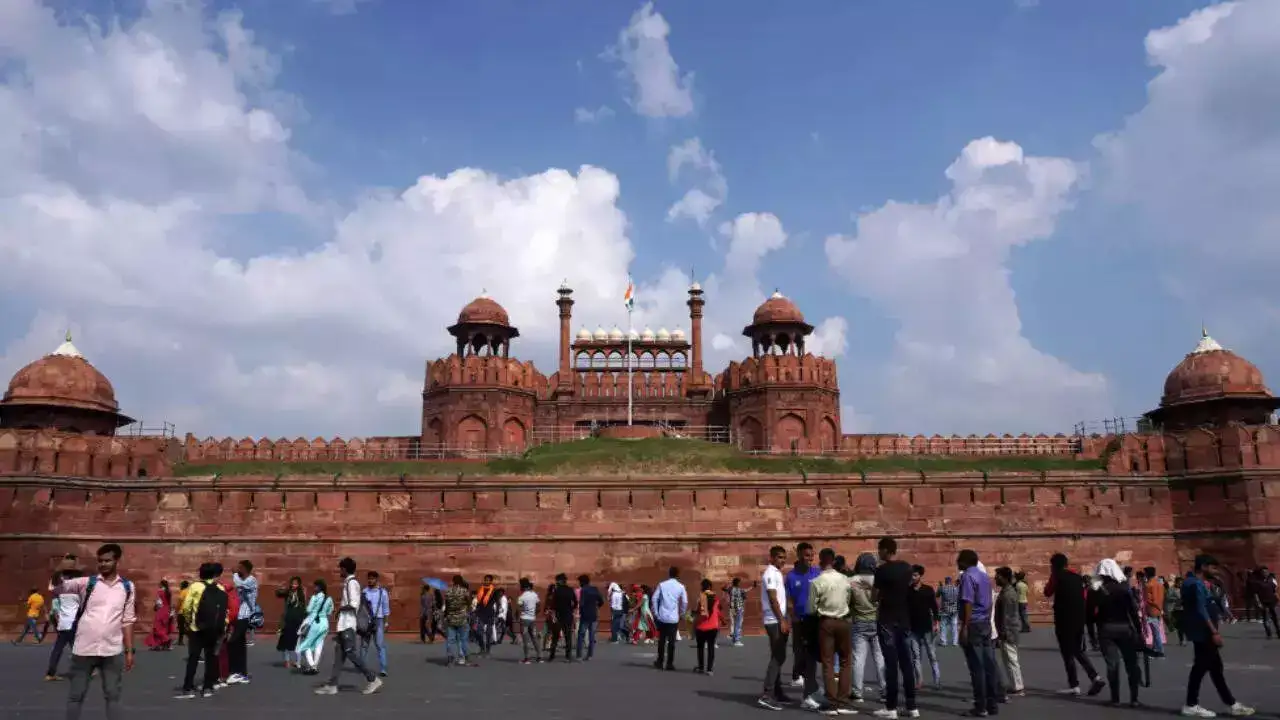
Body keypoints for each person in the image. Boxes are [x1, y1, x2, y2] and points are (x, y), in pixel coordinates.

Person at [50, 543, 138, 720]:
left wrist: (129, 651)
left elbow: (127, 620)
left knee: (113, 696)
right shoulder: (86, 583)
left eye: (107, 560)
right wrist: (60, 567)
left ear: (117, 561)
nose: (103, 564)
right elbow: (57, 587)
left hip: (112, 649)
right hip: (84, 649)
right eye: (100, 561)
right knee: (76, 696)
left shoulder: (127, 588)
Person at [1179, 555, 1254, 718]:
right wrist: (1214, 632)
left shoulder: (1189, 582)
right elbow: (1201, 609)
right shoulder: (1196, 584)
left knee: (1214, 669)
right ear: (1204, 567)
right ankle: (1191, 704)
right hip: (1204, 633)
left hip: (1199, 631)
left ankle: (1230, 703)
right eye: (1213, 568)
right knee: (1200, 668)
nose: (1215, 571)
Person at [314, 557, 382, 696]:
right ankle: (332, 685)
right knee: (339, 656)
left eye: (341, 568)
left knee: (351, 653)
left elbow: (354, 604)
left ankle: (372, 678)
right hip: (343, 625)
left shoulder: (352, 583)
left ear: (345, 569)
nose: (340, 571)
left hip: (348, 624)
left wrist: (340, 609)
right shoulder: (348, 583)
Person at [1045, 553, 1105, 696]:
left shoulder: (1057, 577)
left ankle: (1074, 685)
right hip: (1079, 620)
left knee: (1067, 653)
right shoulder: (1078, 578)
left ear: (1054, 566)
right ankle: (1095, 677)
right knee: (1077, 650)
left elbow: (1047, 592)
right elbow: (1084, 597)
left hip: (1064, 620)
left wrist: (1053, 577)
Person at [873, 536, 916, 720]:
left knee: (891, 665)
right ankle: (912, 706)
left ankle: (891, 707)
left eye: (879, 549)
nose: (878, 553)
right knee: (907, 664)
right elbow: (909, 587)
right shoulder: (907, 567)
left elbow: (874, 597)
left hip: (887, 620)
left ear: (885, 550)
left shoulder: (881, 571)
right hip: (903, 619)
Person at [1094, 559, 1143, 707]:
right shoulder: (1124, 589)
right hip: (1124, 628)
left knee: (1112, 665)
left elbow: (1091, 615)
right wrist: (1139, 631)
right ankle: (1134, 699)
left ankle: (1115, 699)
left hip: (1106, 629)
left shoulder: (1098, 590)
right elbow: (1133, 612)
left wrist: (1093, 634)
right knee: (1131, 663)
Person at [810, 547, 854, 715]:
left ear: (820, 561)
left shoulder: (817, 581)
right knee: (845, 661)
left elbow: (811, 608)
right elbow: (848, 600)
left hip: (826, 622)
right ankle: (843, 702)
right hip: (844, 621)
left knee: (828, 663)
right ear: (834, 561)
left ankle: (832, 703)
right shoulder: (845, 579)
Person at [957, 550, 999, 717]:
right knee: (989, 665)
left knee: (977, 667)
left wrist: (964, 627)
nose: (957, 562)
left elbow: (968, 602)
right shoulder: (984, 577)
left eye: (959, 560)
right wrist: (988, 620)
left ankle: (980, 706)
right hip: (985, 623)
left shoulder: (967, 576)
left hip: (973, 623)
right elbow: (989, 602)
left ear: (965, 562)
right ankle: (992, 704)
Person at [176, 563, 227, 699]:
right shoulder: (221, 588)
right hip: (214, 629)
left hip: (197, 629)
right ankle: (208, 688)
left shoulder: (195, 587)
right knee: (210, 658)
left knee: (193, 658)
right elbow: (224, 611)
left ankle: (188, 687)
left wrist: (188, 622)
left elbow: (186, 607)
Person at [787, 542, 822, 709]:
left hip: (815, 620)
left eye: (812, 555)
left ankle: (810, 689)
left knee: (812, 657)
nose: (810, 558)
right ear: (799, 556)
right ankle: (807, 692)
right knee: (801, 654)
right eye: (807, 555)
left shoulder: (817, 573)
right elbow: (789, 600)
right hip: (800, 621)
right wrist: (792, 617)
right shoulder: (792, 576)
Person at [757, 545, 792, 711]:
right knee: (779, 655)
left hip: (777, 619)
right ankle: (767, 694)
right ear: (771, 558)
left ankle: (777, 692)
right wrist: (782, 620)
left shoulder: (777, 573)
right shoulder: (770, 573)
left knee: (777, 655)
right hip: (774, 620)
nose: (782, 560)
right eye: (779, 557)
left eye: (784, 557)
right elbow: (772, 599)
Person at [850, 553, 886, 704]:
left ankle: (857, 692)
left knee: (858, 658)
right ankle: (885, 690)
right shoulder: (879, 580)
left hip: (859, 621)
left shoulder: (851, 581)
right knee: (880, 658)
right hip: (877, 621)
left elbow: (848, 601)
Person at [44, 569, 83, 681]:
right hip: (73, 623)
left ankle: (50, 673)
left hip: (63, 623)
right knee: (78, 648)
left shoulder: (59, 591)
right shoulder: (77, 592)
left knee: (58, 649)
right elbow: (82, 608)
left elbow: (51, 589)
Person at [907, 565, 940, 690]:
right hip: (913, 628)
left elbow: (934, 607)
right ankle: (919, 680)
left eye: (915, 575)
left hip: (926, 627)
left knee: (931, 654)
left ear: (920, 576)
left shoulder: (928, 590)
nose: (913, 577)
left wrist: (936, 623)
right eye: (912, 575)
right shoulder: (908, 591)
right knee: (916, 655)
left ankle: (936, 679)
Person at [993, 567, 1023, 696]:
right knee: (1009, 659)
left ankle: (1018, 686)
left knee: (1011, 659)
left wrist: (1004, 633)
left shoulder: (1008, 594)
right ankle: (1015, 685)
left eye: (998, 576)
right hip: (1008, 630)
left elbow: (1007, 616)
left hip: (1008, 631)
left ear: (1005, 578)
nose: (995, 578)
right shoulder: (1007, 591)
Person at [651, 566, 688, 671]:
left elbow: (654, 598)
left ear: (669, 573)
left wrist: (656, 613)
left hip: (662, 616)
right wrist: (682, 612)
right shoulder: (681, 587)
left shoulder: (662, 585)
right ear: (678, 574)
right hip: (673, 617)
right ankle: (669, 663)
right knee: (672, 642)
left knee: (661, 641)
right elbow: (685, 602)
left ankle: (660, 661)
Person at [227, 560, 258, 685]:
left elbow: (239, 584)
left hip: (245, 615)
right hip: (240, 615)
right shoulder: (245, 580)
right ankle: (242, 673)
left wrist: (234, 574)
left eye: (239, 567)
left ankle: (236, 672)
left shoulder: (251, 580)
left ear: (245, 569)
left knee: (233, 642)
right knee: (239, 644)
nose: (237, 569)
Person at [295, 579, 332, 674]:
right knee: (319, 644)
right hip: (324, 622)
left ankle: (312, 665)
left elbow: (308, 610)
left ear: (319, 587)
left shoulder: (314, 597)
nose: (314, 588)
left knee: (306, 643)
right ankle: (315, 665)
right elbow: (329, 611)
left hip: (314, 622)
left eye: (315, 586)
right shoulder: (329, 598)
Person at [360, 570, 390, 675]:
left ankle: (383, 668)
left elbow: (386, 609)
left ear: (376, 579)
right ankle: (362, 667)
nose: (370, 580)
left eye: (372, 578)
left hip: (378, 620)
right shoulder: (364, 592)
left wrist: (386, 622)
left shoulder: (383, 592)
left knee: (380, 645)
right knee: (364, 645)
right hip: (367, 621)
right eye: (369, 578)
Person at [693, 578, 722, 676]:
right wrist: (722, 620)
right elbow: (718, 610)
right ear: (710, 587)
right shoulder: (716, 598)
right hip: (713, 626)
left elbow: (697, 611)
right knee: (711, 648)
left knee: (700, 648)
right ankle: (709, 669)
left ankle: (701, 667)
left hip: (701, 627)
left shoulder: (700, 598)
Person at [276, 577, 307, 669]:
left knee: (298, 641)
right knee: (285, 640)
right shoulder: (287, 592)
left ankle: (298, 661)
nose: (294, 585)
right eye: (293, 583)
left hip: (298, 619)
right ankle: (287, 661)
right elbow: (278, 593)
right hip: (288, 618)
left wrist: (304, 619)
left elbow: (304, 606)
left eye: (296, 583)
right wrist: (280, 587)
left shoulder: (301, 593)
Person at [547, 573, 578, 661]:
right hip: (568, 615)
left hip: (558, 615)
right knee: (568, 636)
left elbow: (553, 604)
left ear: (559, 581)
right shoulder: (570, 590)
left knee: (555, 637)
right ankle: (568, 656)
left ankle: (552, 656)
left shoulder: (557, 591)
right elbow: (575, 602)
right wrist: (571, 609)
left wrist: (553, 611)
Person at [576, 575, 604, 660]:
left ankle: (579, 655)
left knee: (581, 635)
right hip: (593, 614)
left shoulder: (583, 590)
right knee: (592, 636)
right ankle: (590, 655)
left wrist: (580, 612)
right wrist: (597, 606)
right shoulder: (594, 589)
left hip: (585, 615)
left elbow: (581, 603)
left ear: (582, 582)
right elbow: (601, 601)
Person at [517, 578, 543, 664]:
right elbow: (539, 606)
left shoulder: (522, 597)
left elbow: (518, 609)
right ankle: (539, 657)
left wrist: (518, 616)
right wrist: (534, 614)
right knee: (534, 638)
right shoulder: (534, 595)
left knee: (525, 640)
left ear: (522, 586)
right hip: (532, 620)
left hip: (524, 620)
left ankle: (527, 658)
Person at [1142, 567, 1166, 657]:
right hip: (1158, 609)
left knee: (1155, 631)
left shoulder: (1149, 585)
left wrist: (1148, 602)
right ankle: (1156, 648)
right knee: (1156, 630)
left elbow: (1152, 599)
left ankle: (1159, 651)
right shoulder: (1159, 583)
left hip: (1152, 609)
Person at [144, 580, 173, 651]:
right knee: (163, 628)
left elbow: (158, 603)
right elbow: (169, 603)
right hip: (167, 610)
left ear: (161, 585)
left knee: (157, 628)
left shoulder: (160, 592)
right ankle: (159, 645)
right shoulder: (168, 592)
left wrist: (155, 607)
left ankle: (167, 640)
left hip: (161, 611)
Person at [724, 577, 753, 647]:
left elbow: (724, 589)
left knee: (734, 623)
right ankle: (737, 640)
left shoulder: (730, 589)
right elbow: (746, 592)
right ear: (738, 583)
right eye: (740, 582)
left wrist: (725, 587)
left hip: (732, 608)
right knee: (738, 624)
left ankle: (734, 638)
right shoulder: (740, 590)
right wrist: (752, 587)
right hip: (738, 608)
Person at [938, 577, 959, 646]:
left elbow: (937, 595)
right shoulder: (956, 588)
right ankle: (955, 642)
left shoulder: (943, 588)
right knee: (954, 626)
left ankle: (943, 641)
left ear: (945, 581)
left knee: (943, 626)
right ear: (951, 581)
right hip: (954, 610)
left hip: (945, 610)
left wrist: (940, 586)